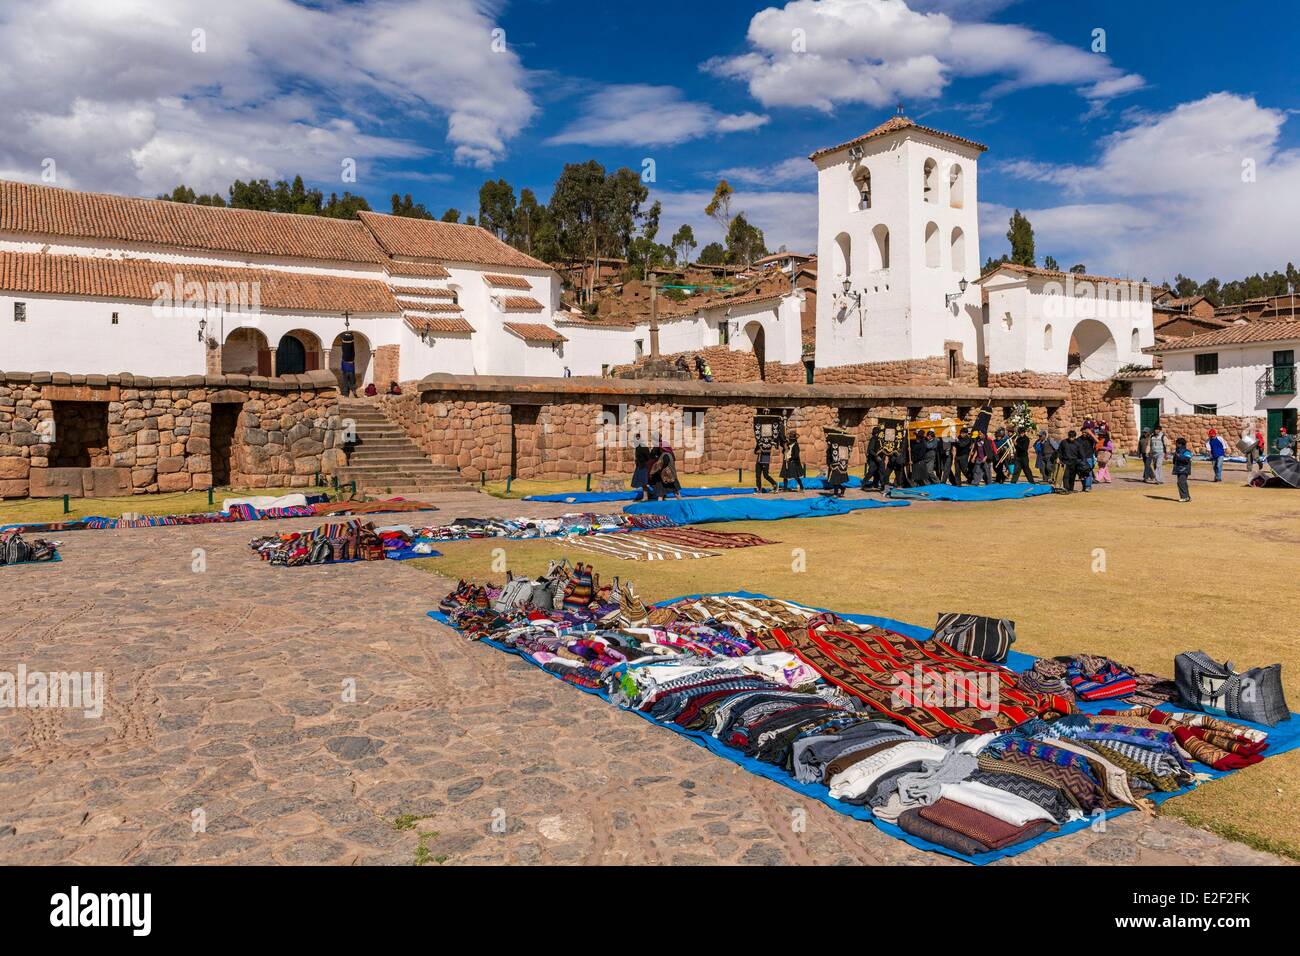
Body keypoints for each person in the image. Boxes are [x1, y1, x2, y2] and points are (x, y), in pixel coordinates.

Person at [1173, 436, 1193, 502]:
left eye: (1177, 443)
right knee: (1181, 483)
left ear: (1180, 444)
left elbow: (1187, 459)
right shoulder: (1177, 451)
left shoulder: (1187, 451)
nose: (1176, 445)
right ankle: (1187, 497)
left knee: (1181, 482)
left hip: (1184, 469)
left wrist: (1179, 456)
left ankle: (1185, 497)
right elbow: (1174, 460)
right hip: (1179, 469)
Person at [631, 435, 651, 502]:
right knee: (643, 483)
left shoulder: (643, 447)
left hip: (644, 466)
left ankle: (646, 497)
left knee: (644, 482)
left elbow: (648, 457)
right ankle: (646, 496)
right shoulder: (638, 447)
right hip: (640, 466)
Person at [339, 330, 358, 397]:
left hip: (346, 367)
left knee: (346, 382)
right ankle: (352, 392)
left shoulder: (345, 357)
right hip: (350, 367)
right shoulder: (351, 356)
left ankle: (347, 394)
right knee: (351, 381)